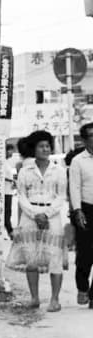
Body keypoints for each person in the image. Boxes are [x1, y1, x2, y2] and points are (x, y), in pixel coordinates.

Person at [6, 131, 65, 311]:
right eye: (41, 146)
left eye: (47, 146)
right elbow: (21, 196)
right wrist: (34, 214)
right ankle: (34, 298)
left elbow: (61, 196)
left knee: (54, 257)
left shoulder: (59, 170)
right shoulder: (24, 171)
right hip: (29, 216)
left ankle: (55, 299)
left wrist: (46, 214)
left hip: (52, 216)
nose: (45, 149)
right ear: (34, 149)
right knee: (31, 258)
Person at [69, 122, 93, 307]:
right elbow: (74, 188)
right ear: (84, 140)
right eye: (90, 135)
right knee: (85, 253)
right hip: (85, 209)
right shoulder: (78, 161)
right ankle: (83, 287)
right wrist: (77, 211)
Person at [3, 143, 17, 236]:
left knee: (8, 211)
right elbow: (2, 176)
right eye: (10, 150)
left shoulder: (6, 162)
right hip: (4, 191)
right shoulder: (2, 162)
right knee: (7, 211)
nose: (12, 152)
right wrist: (12, 180)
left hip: (8, 190)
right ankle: (10, 230)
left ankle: (9, 230)